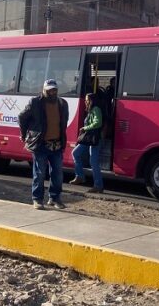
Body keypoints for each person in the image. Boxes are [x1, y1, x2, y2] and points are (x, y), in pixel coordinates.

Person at [18, 79, 69, 210]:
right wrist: (24, 134)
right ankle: (37, 199)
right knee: (40, 174)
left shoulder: (63, 104)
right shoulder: (35, 102)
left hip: (56, 144)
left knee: (57, 174)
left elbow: (63, 123)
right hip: (40, 144)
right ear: (44, 90)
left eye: (54, 90)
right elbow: (22, 117)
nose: (52, 92)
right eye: (49, 90)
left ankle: (55, 198)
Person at [70, 93, 104, 193]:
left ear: (91, 100)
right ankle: (79, 176)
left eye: (86, 100)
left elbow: (98, 123)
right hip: (88, 138)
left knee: (93, 162)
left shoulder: (96, 109)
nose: (85, 101)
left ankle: (98, 185)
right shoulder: (90, 110)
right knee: (75, 153)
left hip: (94, 138)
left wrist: (85, 128)